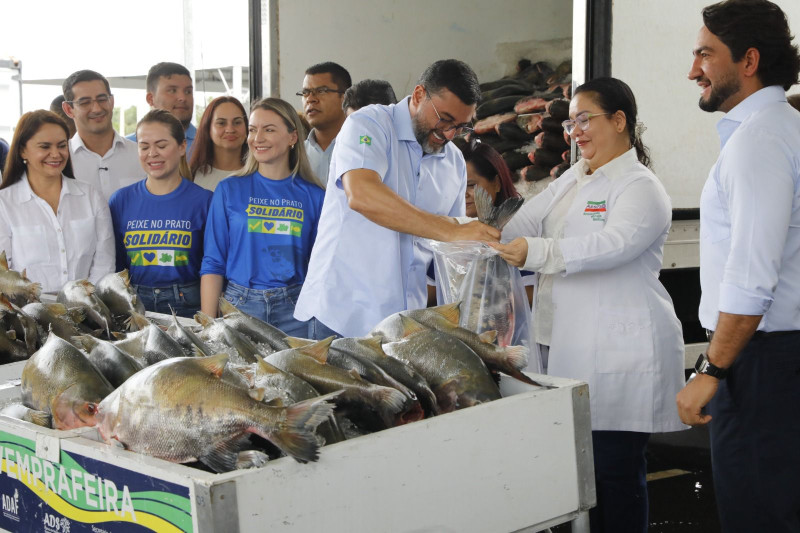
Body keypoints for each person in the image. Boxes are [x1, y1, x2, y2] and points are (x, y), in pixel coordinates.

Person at [493, 77, 685, 533]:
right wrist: (486, 234)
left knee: (614, 473)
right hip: (565, 345)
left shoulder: (641, 188)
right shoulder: (576, 179)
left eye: (585, 119)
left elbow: (611, 245)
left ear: (619, 121)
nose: (575, 131)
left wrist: (535, 252)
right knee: (575, 477)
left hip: (619, 353)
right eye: (571, 122)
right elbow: (521, 223)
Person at [676, 1, 800, 531]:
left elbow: (752, 280)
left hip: (762, 364)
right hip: (776, 359)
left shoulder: (759, 141)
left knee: (757, 514)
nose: (692, 70)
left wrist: (711, 371)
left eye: (705, 54)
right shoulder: (783, 127)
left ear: (748, 61)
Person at [294, 59, 500, 339]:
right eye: (445, 119)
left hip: (404, 324)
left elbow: (449, 250)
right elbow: (362, 194)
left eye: (461, 127)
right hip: (341, 314)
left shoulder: (453, 161)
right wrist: (453, 229)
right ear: (418, 95)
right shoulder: (369, 124)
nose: (449, 134)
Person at [200, 98, 325, 337]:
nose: (257, 138)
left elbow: (321, 268)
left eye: (268, 130)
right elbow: (213, 262)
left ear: (292, 137)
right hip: (239, 307)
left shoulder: (315, 196)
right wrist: (207, 326)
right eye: (253, 130)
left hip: (297, 308)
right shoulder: (228, 190)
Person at [109, 110, 212, 318]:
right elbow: (116, 265)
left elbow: (213, 266)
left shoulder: (205, 201)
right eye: (144, 146)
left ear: (182, 147)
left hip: (189, 304)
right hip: (135, 304)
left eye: (161, 145)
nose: (152, 153)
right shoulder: (120, 200)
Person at [0, 110, 114, 292]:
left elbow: (104, 263)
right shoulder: (4, 204)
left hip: (86, 310)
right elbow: (3, 274)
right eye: (45, 147)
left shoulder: (91, 196)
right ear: (23, 150)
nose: (56, 154)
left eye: (61, 146)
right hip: (28, 313)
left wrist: (85, 303)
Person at [62, 70, 142, 202]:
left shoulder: (140, 155)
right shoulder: (62, 160)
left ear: (112, 101)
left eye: (102, 99)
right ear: (68, 110)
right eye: (85, 102)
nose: (97, 109)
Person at [128, 63, 196, 157]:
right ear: (151, 99)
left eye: (188, 91)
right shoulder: (128, 147)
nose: (183, 97)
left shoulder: (210, 144)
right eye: (172, 90)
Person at [299, 62, 351, 183]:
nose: (310, 99)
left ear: (345, 98)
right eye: (305, 92)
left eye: (321, 91)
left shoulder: (362, 147)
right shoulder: (297, 155)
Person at [189, 96, 248, 191]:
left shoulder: (260, 175)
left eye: (237, 122)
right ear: (208, 129)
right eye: (221, 123)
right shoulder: (192, 176)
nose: (230, 129)